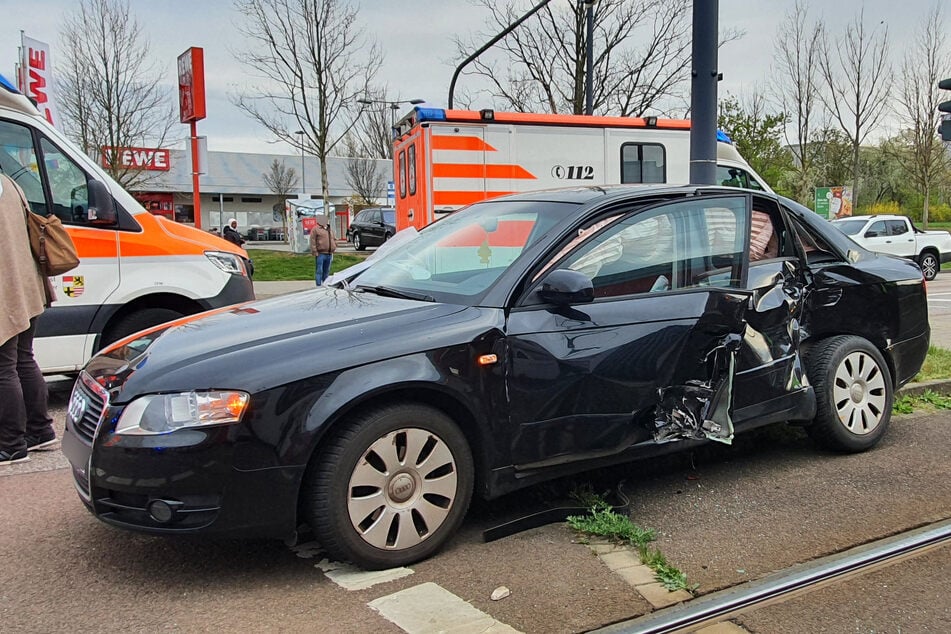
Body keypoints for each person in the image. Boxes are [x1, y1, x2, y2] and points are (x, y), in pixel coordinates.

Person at [0, 173, 57, 465]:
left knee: (3, 367)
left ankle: (10, 445)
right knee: (23, 358)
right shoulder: (10, 182)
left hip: (5, 288)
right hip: (25, 284)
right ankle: (40, 432)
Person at [309, 220, 337, 286]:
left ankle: (325, 284)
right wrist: (314, 251)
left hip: (329, 254)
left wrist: (335, 246)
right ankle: (318, 285)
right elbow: (312, 241)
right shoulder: (316, 229)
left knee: (326, 271)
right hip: (320, 254)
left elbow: (333, 239)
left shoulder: (329, 229)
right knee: (319, 271)